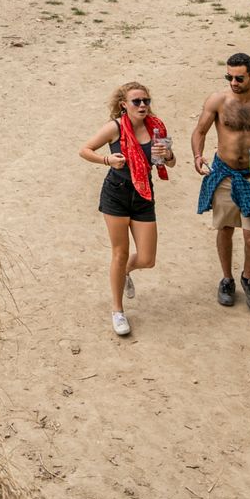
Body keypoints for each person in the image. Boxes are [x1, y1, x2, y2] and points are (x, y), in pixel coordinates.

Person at [191, 53, 250, 312]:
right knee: (225, 229)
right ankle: (227, 279)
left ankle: (248, 278)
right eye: (229, 77)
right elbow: (200, 131)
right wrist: (198, 156)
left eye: (239, 78)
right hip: (224, 172)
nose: (233, 83)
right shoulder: (218, 100)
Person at [80, 83, 171, 337]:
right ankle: (118, 310)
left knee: (147, 259)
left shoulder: (157, 128)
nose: (142, 105)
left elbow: (169, 162)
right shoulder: (115, 128)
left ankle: (126, 273)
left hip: (143, 195)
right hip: (116, 194)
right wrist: (107, 159)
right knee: (120, 253)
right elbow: (85, 150)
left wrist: (168, 154)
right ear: (124, 104)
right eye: (136, 101)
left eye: (146, 101)